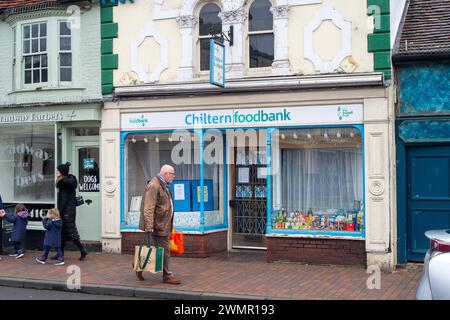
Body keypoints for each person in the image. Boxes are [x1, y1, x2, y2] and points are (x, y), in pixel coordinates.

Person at [137, 164, 180, 285]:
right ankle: (167, 275)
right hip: (157, 225)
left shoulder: (163, 185)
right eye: (172, 174)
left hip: (162, 223)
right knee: (164, 249)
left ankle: (139, 265)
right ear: (166, 174)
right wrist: (149, 225)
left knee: (158, 249)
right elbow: (148, 208)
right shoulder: (154, 186)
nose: (173, 177)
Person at [55, 162, 88, 261]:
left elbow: (64, 200)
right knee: (63, 233)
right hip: (70, 210)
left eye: (58, 170)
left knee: (71, 232)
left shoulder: (64, 184)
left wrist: (59, 212)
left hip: (66, 212)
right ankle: (60, 254)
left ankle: (82, 249)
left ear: (62, 172)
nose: (56, 172)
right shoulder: (69, 180)